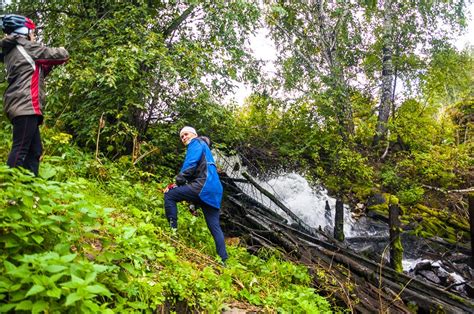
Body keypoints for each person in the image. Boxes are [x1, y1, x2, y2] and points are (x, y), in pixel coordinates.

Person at [0, 14, 69, 176]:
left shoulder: (14, 49)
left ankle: (29, 187)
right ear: (24, 31)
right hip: (26, 104)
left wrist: (46, 67)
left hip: (20, 104)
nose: (34, 35)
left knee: (35, 150)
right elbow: (62, 55)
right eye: (32, 31)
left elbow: (32, 72)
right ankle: (8, 190)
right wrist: (62, 48)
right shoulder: (25, 45)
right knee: (21, 149)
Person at [164, 126, 228, 263]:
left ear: (194, 134)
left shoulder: (196, 143)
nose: (184, 138)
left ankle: (172, 234)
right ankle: (223, 261)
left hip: (204, 186)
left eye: (186, 134)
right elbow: (200, 173)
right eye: (181, 137)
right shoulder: (206, 148)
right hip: (214, 190)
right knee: (214, 226)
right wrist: (193, 202)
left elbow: (190, 164)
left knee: (169, 195)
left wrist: (178, 181)